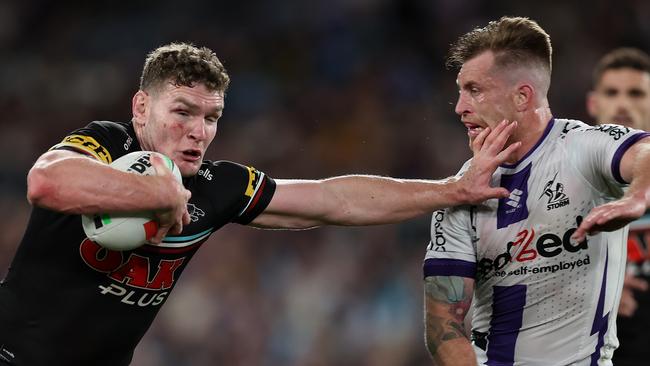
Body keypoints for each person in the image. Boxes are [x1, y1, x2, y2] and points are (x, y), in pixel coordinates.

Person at [0, 43, 519, 366]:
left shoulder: (216, 186)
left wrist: (450, 190)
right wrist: (156, 193)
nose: (198, 132)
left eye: (211, 117)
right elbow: (46, 182)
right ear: (142, 107)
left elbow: (331, 199)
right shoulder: (106, 143)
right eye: (182, 112)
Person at [422, 17, 650, 366]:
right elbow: (443, 324)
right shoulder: (461, 192)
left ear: (522, 96)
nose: (460, 107)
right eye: (460, 91)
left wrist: (637, 197)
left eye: (475, 90)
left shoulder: (582, 149)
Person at [587, 47, 650, 366]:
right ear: (594, 104)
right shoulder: (562, 184)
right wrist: (598, 283)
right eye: (612, 93)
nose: (623, 103)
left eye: (636, 93)